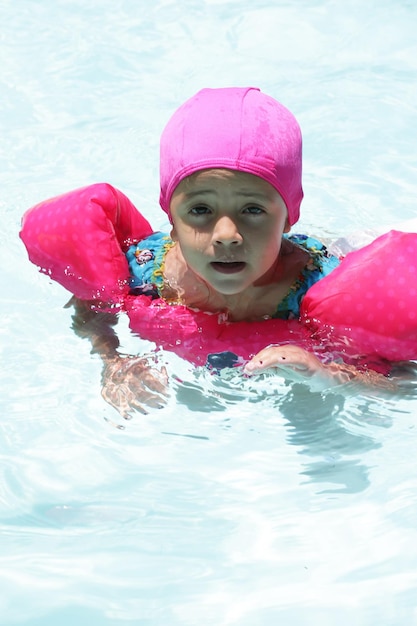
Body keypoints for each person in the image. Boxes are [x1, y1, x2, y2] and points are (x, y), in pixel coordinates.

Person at [64, 87, 408, 418]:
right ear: (171, 218)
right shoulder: (144, 271)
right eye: (200, 210)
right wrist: (112, 358)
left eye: (253, 210)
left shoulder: (322, 293)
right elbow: (89, 306)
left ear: (289, 216)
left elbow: (400, 384)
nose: (226, 235)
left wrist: (322, 374)